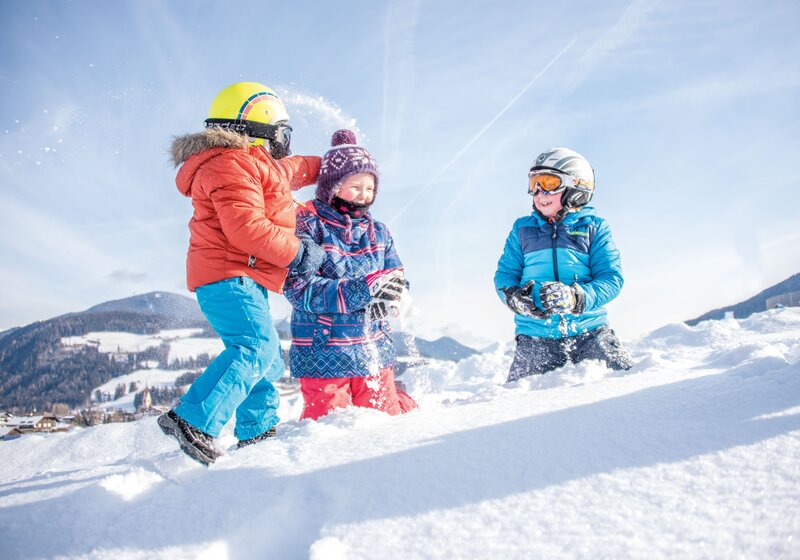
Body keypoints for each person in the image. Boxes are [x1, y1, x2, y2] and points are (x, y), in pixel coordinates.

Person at [158, 82, 325, 465]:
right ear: (259, 129)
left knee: (267, 357)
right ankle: (192, 419)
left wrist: (331, 164)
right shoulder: (230, 164)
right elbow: (246, 228)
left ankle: (257, 431)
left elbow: (293, 169)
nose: (284, 145)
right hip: (227, 275)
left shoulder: (250, 163)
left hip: (243, 277)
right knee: (255, 348)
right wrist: (297, 252)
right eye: (281, 134)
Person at [284, 130, 418, 420]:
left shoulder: (379, 232)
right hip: (324, 352)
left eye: (370, 188)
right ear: (332, 187)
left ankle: (403, 400)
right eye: (355, 186)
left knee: (385, 420)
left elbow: (395, 275)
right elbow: (299, 289)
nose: (364, 195)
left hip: (373, 347)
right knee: (329, 426)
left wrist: (394, 297)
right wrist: (366, 289)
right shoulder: (307, 225)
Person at [494, 147, 633, 381]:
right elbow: (505, 274)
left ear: (576, 186)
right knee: (519, 394)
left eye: (549, 183)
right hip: (535, 335)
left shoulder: (594, 228)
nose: (539, 192)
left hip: (590, 331)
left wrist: (576, 297)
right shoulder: (522, 230)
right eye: (534, 184)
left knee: (626, 383)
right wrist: (513, 297)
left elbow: (611, 279)